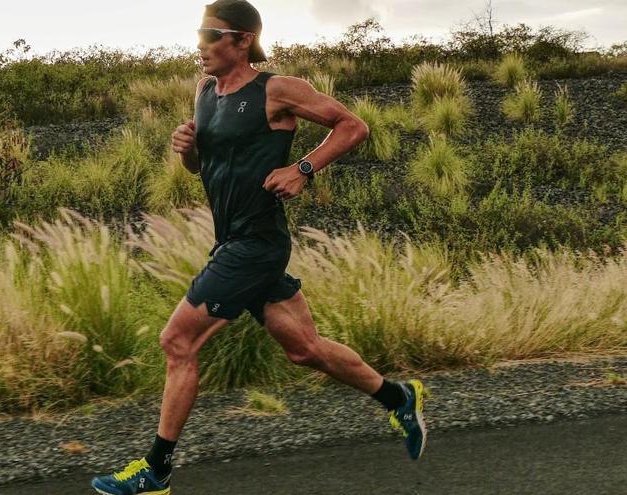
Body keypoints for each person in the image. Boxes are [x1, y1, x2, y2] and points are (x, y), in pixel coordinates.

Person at [92, 1, 426, 493]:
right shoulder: (204, 91)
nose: (199, 44)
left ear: (242, 40)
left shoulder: (277, 89)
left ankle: (156, 470)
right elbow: (207, 167)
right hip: (232, 238)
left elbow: (353, 126)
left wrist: (303, 169)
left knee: (176, 342)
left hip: (256, 243)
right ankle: (397, 397)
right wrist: (189, 153)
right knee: (305, 350)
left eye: (210, 34)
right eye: (199, 32)